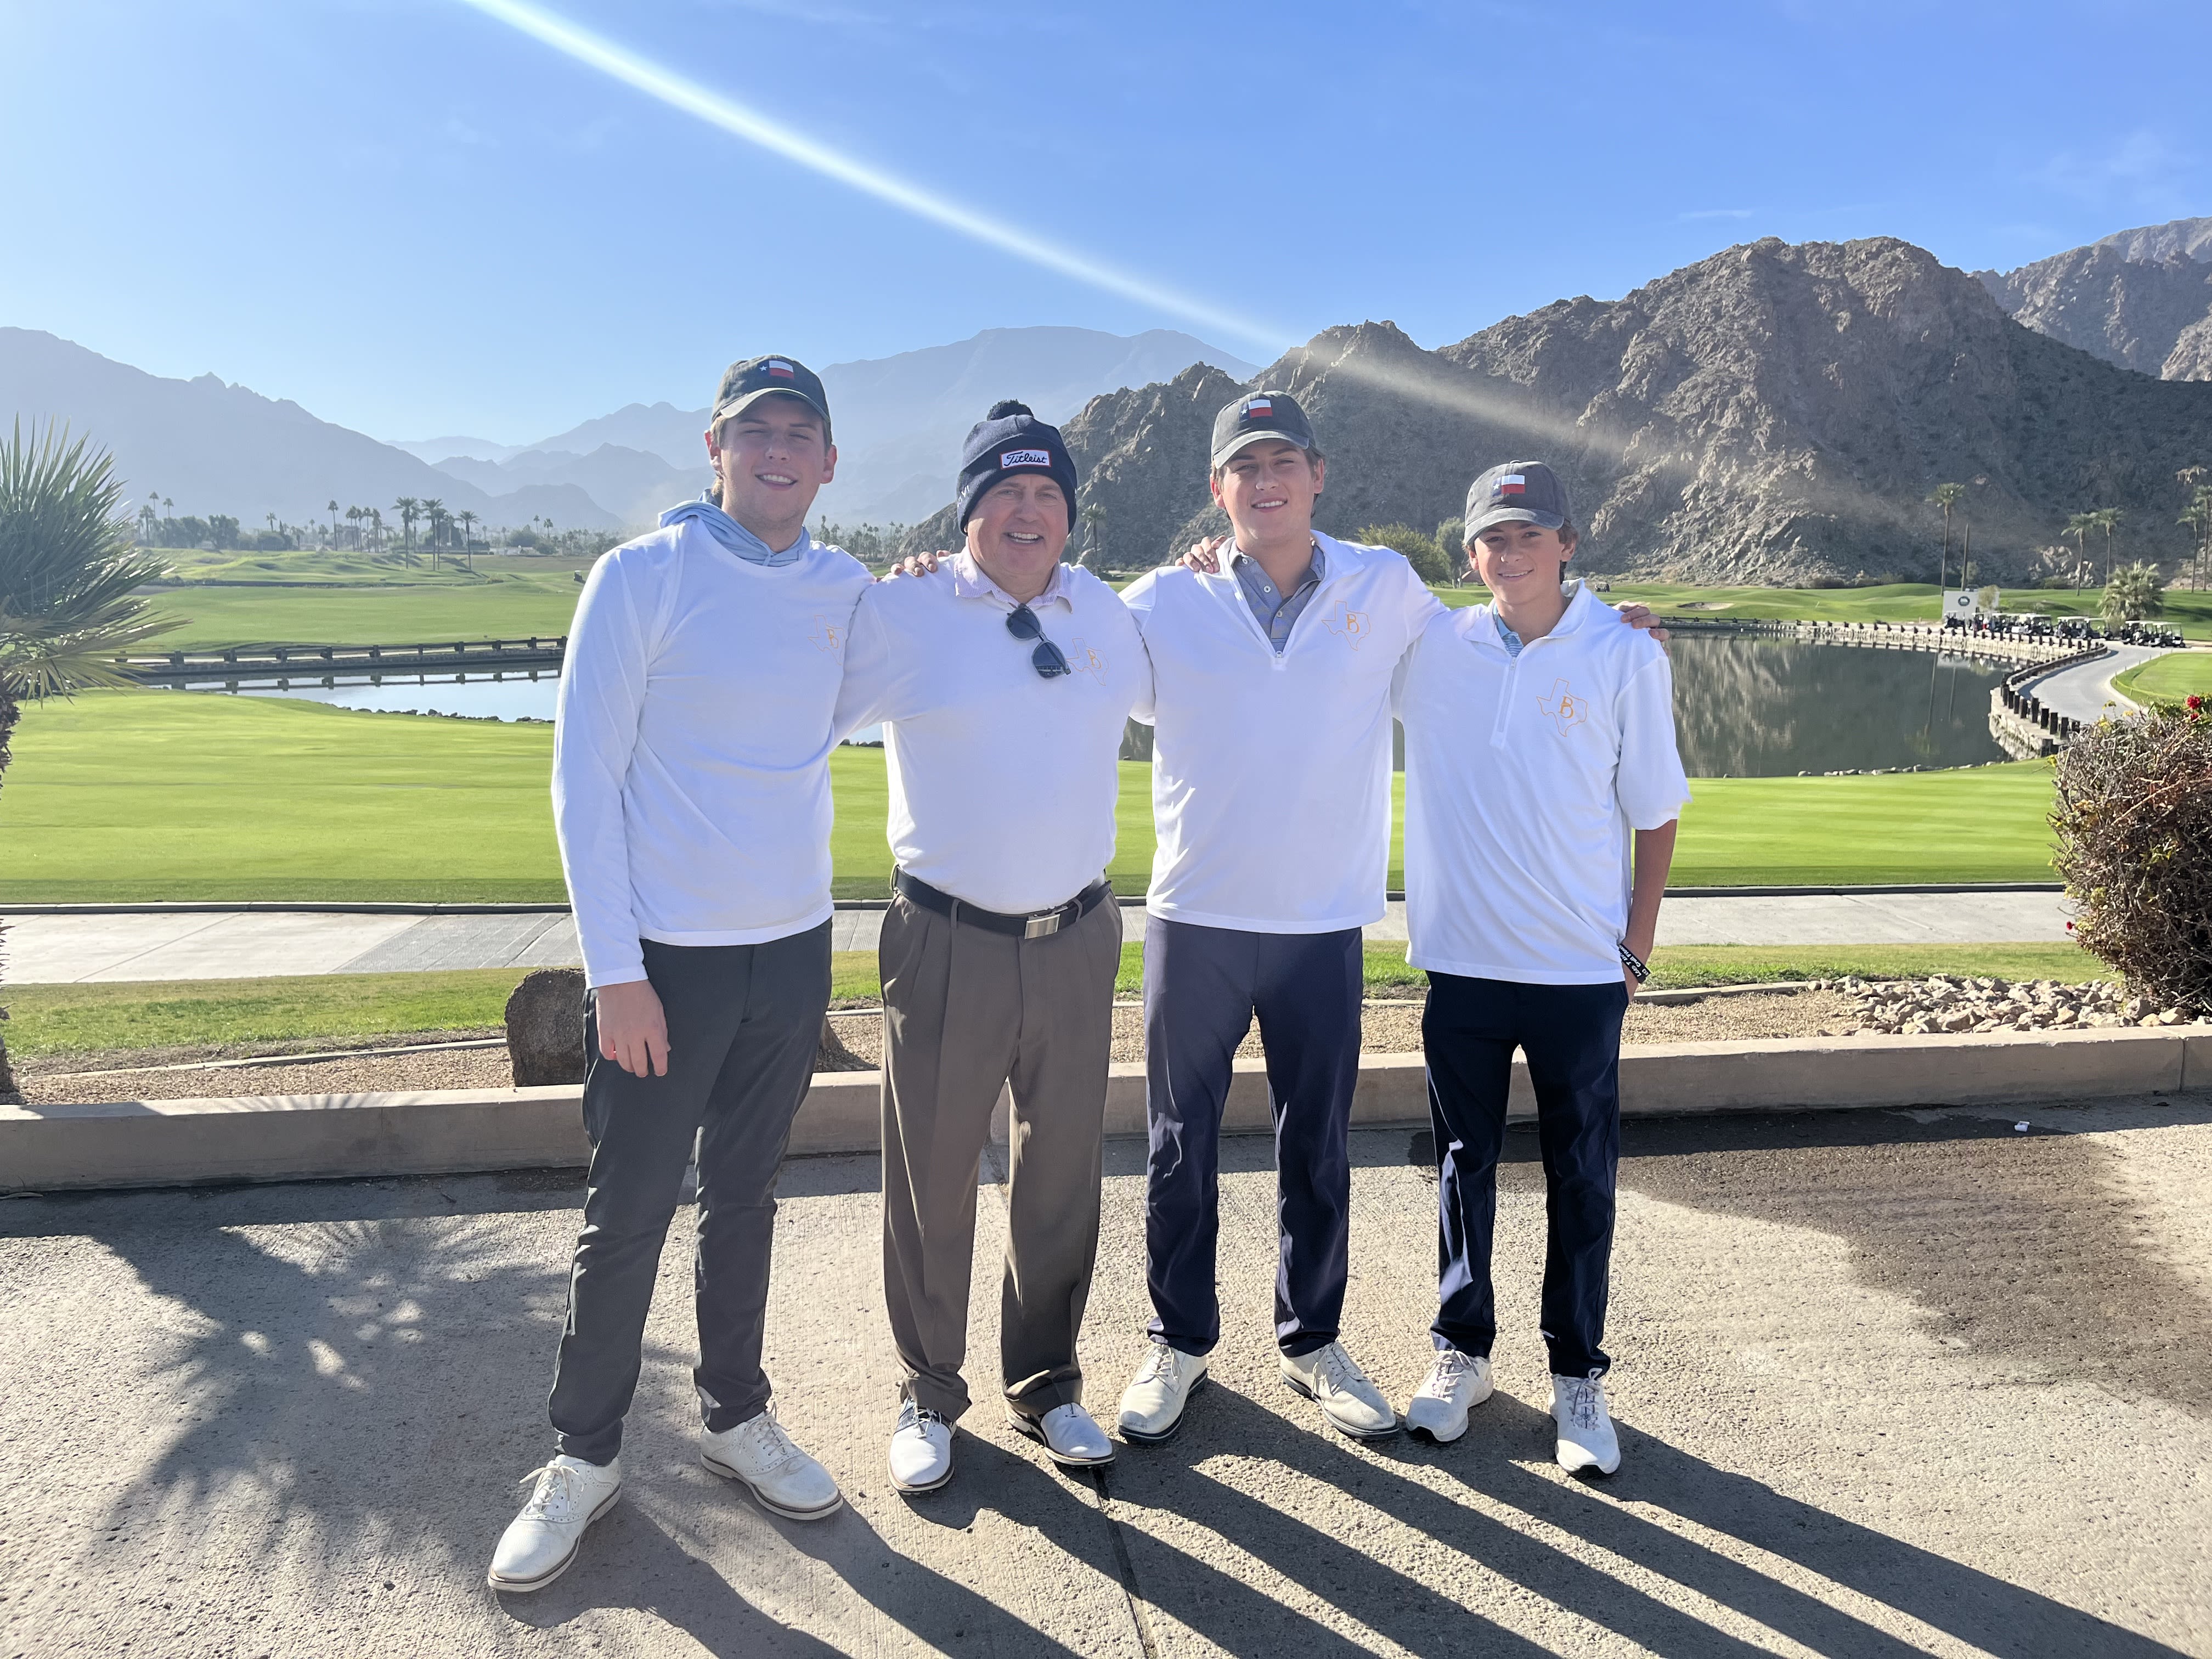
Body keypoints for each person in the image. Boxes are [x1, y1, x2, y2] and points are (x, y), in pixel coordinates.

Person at [1111, 394, 1663, 1448]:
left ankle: (1312, 1338)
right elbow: (1058, 640)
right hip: (1198, 916)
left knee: (1314, 1145)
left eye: (1285, 462)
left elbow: (1513, 627)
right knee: (1180, 1144)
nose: (1266, 481)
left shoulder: (1387, 587)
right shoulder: (1160, 603)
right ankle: (1178, 1340)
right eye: (1245, 467)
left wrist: (1616, 622)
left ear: (1319, 475)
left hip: (1324, 924)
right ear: (1217, 489)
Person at [489, 356, 868, 1593]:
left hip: (792, 949)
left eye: (799, 432)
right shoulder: (641, 576)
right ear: (716, 447)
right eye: (754, 429)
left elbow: (958, 633)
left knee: (747, 1195)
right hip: (667, 963)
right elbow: (581, 783)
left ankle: (732, 1415)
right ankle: (585, 1456)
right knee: (632, 1210)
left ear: (827, 462)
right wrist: (617, 973)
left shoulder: (844, 588)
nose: (776, 449)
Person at [834, 401, 1145, 1493]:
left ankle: (1049, 1383)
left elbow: (1219, 678)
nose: (1028, 511)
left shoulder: (1108, 614)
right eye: (1005, 493)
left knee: (1061, 1173)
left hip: (1076, 938)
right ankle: (929, 1390)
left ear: (1070, 514)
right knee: (931, 1174)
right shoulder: (909, 609)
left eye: (1047, 494)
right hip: (946, 939)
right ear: (969, 510)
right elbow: (798, 700)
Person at [1393, 460, 1688, 1475]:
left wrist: (1634, 953)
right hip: (1463, 968)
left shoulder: (1623, 652)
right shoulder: (1433, 645)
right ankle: (1460, 1352)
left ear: (1568, 542)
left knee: (1581, 1176)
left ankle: (1577, 1374)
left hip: (1577, 973)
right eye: (1491, 538)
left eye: (1529, 534)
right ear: (1469, 552)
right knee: (1462, 1165)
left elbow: (1655, 813)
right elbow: (1315, 639)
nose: (1509, 553)